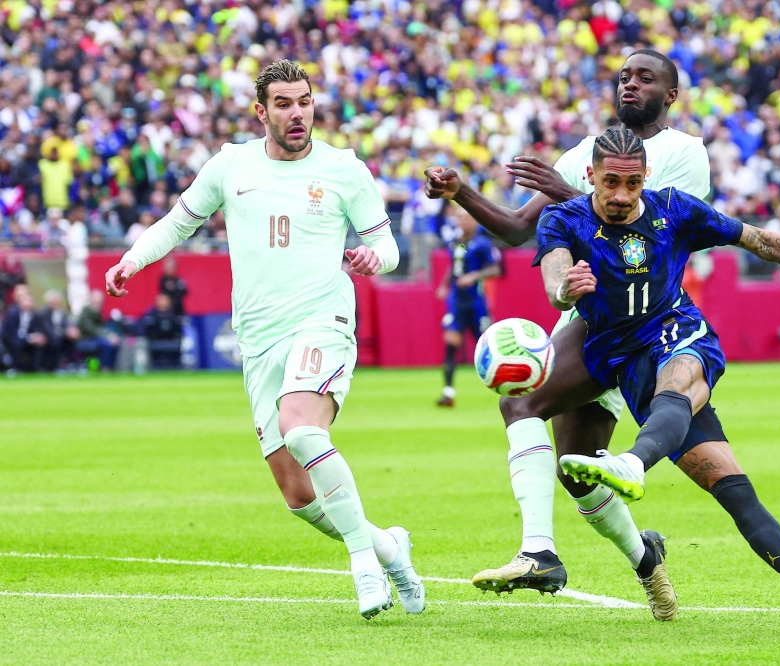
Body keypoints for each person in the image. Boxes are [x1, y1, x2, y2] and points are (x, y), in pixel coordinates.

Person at [103, 60, 424, 620]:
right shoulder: (231, 164)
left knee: (302, 426)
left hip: (323, 320)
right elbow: (178, 223)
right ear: (262, 111)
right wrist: (133, 260)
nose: (297, 113)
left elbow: (388, 246)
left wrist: (376, 256)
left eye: (304, 101)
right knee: (298, 496)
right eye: (283, 104)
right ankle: (391, 549)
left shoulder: (345, 169)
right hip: (258, 337)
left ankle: (363, 564)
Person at [543, 127, 780, 639]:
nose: (619, 195)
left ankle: (633, 463)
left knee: (676, 386)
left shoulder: (675, 209)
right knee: (732, 489)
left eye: (631, 184)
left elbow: (761, 240)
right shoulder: (563, 218)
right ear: (590, 175)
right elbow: (553, 283)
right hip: (624, 360)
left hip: (680, 334)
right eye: (609, 181)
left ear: (646, 179)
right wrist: (565, 290)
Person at [425, 51, 714, 615]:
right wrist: (462, 192)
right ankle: (646, 559)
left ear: (671, 96)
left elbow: (644, 227)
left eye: (646, 78)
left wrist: (566, 191)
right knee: (576, 470)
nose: (631, 84)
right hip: (588, 316)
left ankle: (538, 553)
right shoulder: (584, 153)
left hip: (646, 320)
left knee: (522, 402)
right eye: (625, 76)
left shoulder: (682, 153)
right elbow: (515, 229)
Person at [435, 209, 501, 407]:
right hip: (456, 302)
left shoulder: (483, 243)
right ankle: (448, 392)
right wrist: (444, 285)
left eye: (467, 218)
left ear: (474, 221)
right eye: (460, 218)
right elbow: (455, 266)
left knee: (487, 347)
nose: (463, 222)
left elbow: (495, 269)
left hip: (477, 301)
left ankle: (505, 388)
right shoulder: (456, 242)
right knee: (450, 345)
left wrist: (474, 276)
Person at [1, 286, 48, 372]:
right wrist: (27, 338)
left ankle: (35, 369)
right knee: (17, 344)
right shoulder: (12, 312)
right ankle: (13, 368)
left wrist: (37, 337)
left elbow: (38, 329)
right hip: (13, 340)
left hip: (27, 339)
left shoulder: (35, 314)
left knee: (39, 345)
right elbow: (9, 333)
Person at [76, 289, 120, 370]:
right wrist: (108, 336)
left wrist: (112, 335)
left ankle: (112, 368)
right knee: (107, 344)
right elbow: (90, 329)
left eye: (99, 303)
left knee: (116, 343)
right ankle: (104, 368)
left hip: (97, 338)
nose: (97, 305)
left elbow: (102, 327)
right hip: (86, 338)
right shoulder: (86, 311)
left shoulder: (99, 312)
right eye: (95, 302)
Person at [140, 293, 184, 369]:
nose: (163, 302)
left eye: (165, 300)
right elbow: (143, 327)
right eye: (161, 300)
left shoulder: (174, 314)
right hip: (154, 341)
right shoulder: (151, 314)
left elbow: (179, 329)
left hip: (171, 340)